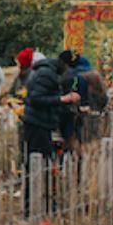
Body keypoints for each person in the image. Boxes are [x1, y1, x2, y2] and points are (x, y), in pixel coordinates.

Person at [21, 50, 80, 202]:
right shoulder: (46, 74)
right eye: (68, 67)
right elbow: (36, 99)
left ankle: (41, 201)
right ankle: (32, 203)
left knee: (43, 163)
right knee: (36, 164)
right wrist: (62, 99)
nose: (69, 71)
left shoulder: (50, 73)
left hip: (42, 124)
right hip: (37, 125)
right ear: (63, 63)